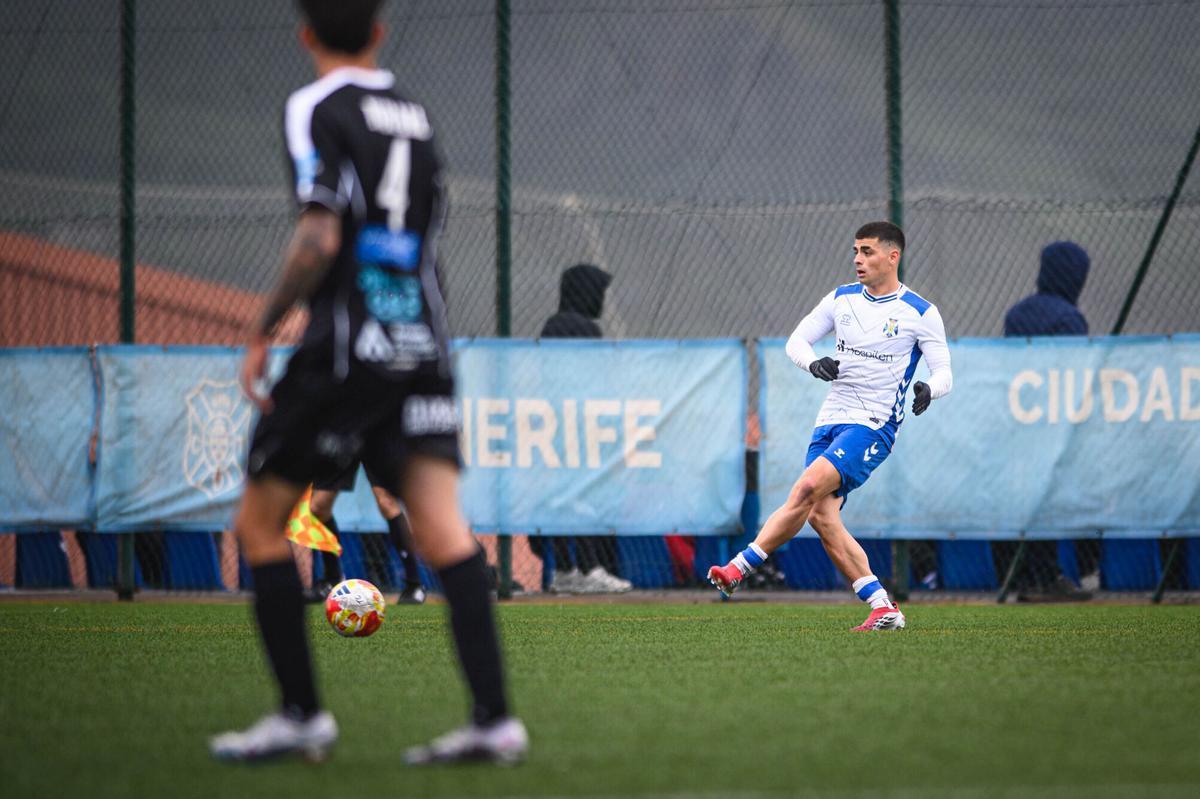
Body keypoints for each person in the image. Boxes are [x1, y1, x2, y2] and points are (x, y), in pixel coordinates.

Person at [209, 0, 527, 765]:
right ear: (380, 33)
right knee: (445, 529)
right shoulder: (415, 114)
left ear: (306, 34)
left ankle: (300, 713)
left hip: (347, 346)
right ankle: (494, 719)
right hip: (421, 339)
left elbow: (319, 232)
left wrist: (263, 327)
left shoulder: (313, 106)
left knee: (260, 524)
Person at [707, 221, 953, 630]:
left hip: (873, 426)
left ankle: (737, 569)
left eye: (868, 251)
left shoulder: (920, 312)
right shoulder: (841, 299)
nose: (858, 259)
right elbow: (796, 342)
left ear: (894, 256)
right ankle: (883, 607)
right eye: (856, 250)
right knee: (821, 517)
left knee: (804, 488)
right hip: (830, 422)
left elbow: (945, 371)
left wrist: (930, 388)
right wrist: (814, 362)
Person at [1002, 240, 1094, 602]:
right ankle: (1056, 575)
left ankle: (1022, 577)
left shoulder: (1017, 314)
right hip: (1055, 425)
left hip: (1018, 421)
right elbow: (1073, 377)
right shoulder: (1069, 319)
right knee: (1052, 499)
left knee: (1024, 499)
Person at [531, 263, 631, 594]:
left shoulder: (552, 325)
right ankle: (586, 569)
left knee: (565, 497)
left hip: (561, 425)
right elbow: (593, 378)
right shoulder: (579, 327)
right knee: (582, 495)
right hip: (578, 427)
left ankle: (565, 569)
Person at [307, 463, 427, 605]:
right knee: (317, 506)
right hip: (345, 442)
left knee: (386, 502)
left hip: (377, 442)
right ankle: (333, 579)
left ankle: (415, 584)